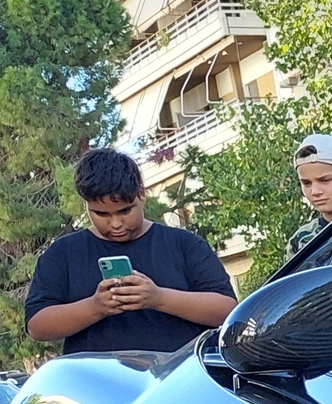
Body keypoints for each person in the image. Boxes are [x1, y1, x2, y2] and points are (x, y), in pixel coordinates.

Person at [23, 148, 236, 355]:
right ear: (86, 204)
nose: (116, 223)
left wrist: (158, 298)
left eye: (125, 210)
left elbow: (227, 311)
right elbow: (37, 326)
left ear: (141, 194)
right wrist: (96, 307)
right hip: (97, 384)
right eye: (101, 214)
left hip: (178, 381)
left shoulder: (185, 244)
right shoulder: (63, 253)